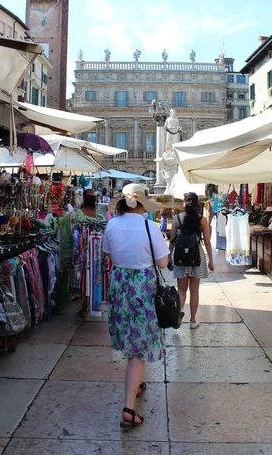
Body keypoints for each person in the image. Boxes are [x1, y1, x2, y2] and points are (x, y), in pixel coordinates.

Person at [103, 183, 169, 429]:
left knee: (131, 343)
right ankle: (129, 408)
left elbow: (107, 254)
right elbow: (162, 263)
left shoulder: (111, 224)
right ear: (142, 204)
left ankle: (137, 383)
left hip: (120, 286)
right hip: (142, 288)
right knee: (138, 350)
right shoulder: (149, 227)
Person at [169, 192, 214, 329]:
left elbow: (172, 240)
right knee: (194, 291)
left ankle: (179, 312)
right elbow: (207, 242)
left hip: (181, 255)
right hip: (196, 256)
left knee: (182, 290)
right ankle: (193, 321)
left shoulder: (176, 218)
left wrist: (169, 256)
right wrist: (211, 259)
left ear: (184, 203)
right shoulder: (202, 220)